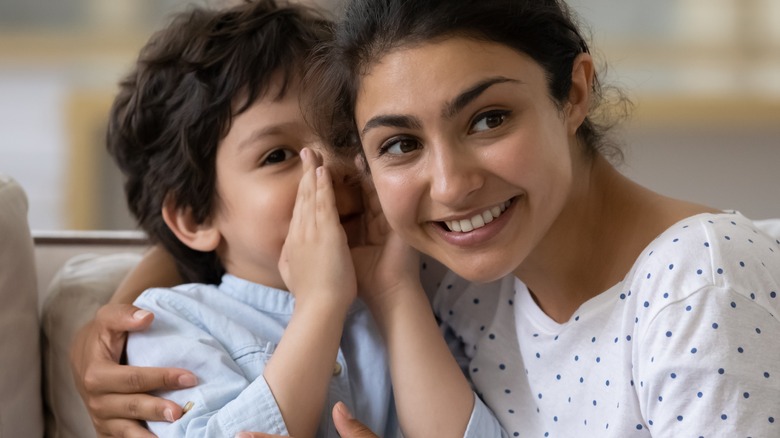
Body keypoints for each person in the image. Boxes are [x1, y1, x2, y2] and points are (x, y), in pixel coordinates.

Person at [72, 0, 780, 436]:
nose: (450, 184)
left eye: (489, 118)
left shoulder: (699, 282)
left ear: (574, 92)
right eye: (398, 143)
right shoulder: (458, 271)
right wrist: (117, 313)